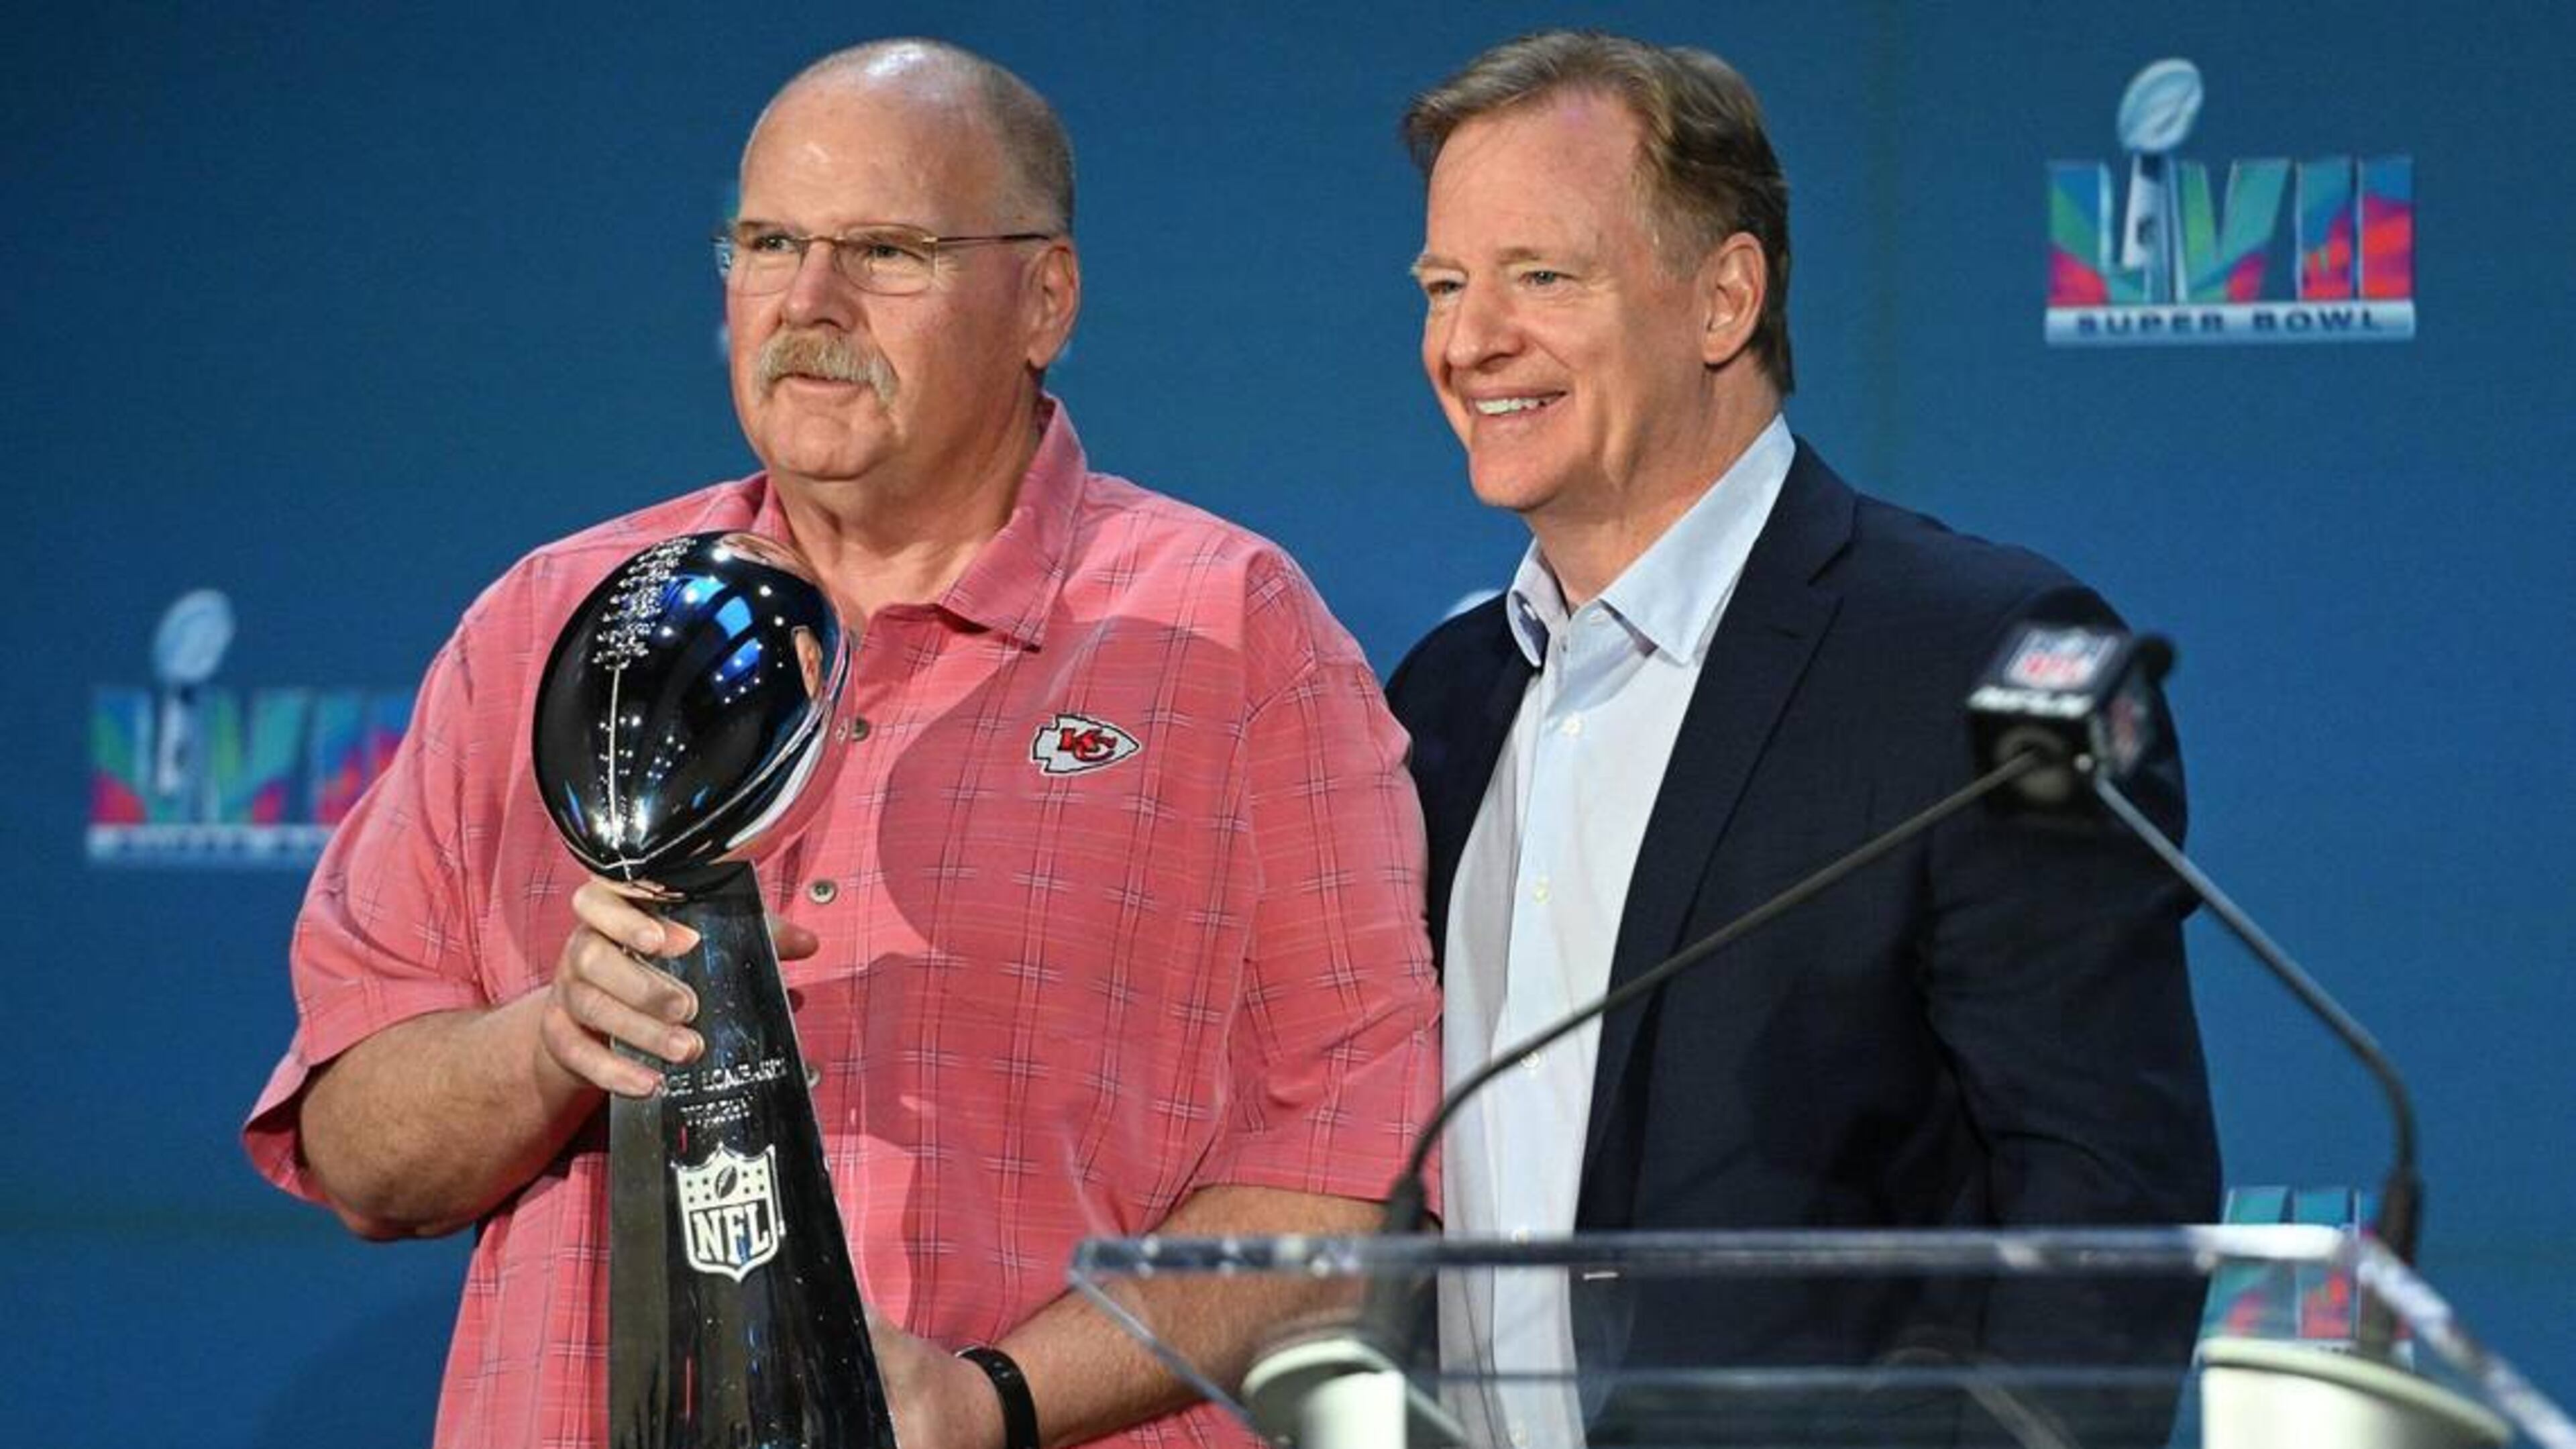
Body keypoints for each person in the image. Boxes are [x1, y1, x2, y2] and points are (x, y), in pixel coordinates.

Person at [242, 39, 1440, 1449]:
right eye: (768, 243)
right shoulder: (550, 626)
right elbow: (358, 1149)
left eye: (884, 251)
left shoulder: (1236, 636)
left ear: (1043, 297)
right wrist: (550, 1042)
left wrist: (993, 1402)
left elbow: (1344, 1184)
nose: (808, 303)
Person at [1384, 30, 2220, 1445]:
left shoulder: (1974, 662)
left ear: (1723, 298)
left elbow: (2108, 1221)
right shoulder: (1445, 700)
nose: (1470, 341)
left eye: (1542, 277)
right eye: (1446, 285)